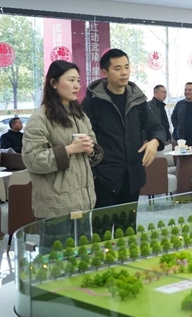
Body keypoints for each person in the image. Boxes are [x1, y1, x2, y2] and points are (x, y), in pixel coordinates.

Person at [82, 49, 166, 236]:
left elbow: (157, 128)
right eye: (118, 68)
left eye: (127, 67)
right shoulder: (92, 103)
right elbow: (85, 139)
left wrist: (154, 142)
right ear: (105, 72)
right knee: (102, 235)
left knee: (127, 232)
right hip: (104, 179)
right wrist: (94, 173)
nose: (124, 73)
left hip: (132, 177)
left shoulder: (137, 100)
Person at [22, 61, 103, 250]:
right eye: (71, 80)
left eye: (78, 81)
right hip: (55, 206)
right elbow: (32, 159)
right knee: (55, 260)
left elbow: (94, 148)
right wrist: (69, 150)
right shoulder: (40, 118)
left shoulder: (80, 115)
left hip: (83, 202)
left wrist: (91, 150)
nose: (77, 86)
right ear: (53, 83)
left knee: (82, 256)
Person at [171, 82, 192, 148]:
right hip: (182, 140)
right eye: (185, 90)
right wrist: (178, 128)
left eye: (190, 90)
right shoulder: (179, 104)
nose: (187, 92)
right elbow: (174, 118)